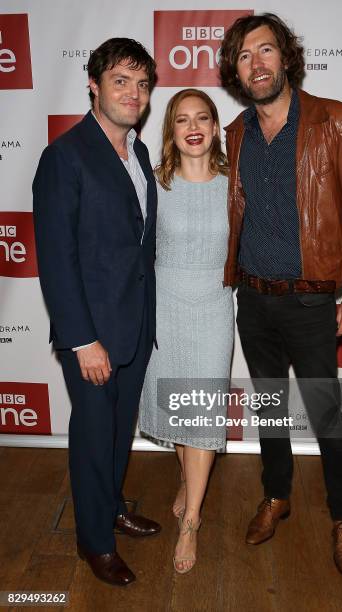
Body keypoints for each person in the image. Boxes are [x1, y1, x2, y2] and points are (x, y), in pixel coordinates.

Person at [219, 13, 342, 576]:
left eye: (265, 51)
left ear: (285, 57)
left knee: (326, 416)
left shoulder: (335, 121)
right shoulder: (236, 133)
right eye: (244, 56)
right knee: (268, 407)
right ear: (235, 70)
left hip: (314, 302)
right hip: (254, 299)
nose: (256, 64)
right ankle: (277, 495)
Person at [33, 38, 161, 587]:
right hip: (93, 332)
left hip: (134, 324)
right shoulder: (64, 156)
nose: (133, 94)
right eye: (120, 82)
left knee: (116, 434)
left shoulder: (139, 151)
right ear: (93, 85)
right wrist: (82, 339)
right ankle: (94, 542)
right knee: (91, 436)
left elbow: (136, 244)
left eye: (142, 84)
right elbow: (56, 258)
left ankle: (111, 507)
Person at [139, 89, 233, 574]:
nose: (192, 126)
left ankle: (191, 520)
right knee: (179, 401)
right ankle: (187, 478)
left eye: (202, 117)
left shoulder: (236, 184)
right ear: (171, 131)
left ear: (216, 127)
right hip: (165, 309)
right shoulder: (153, 184)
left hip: (215, 309)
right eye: (182, 119)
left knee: (203, 406)